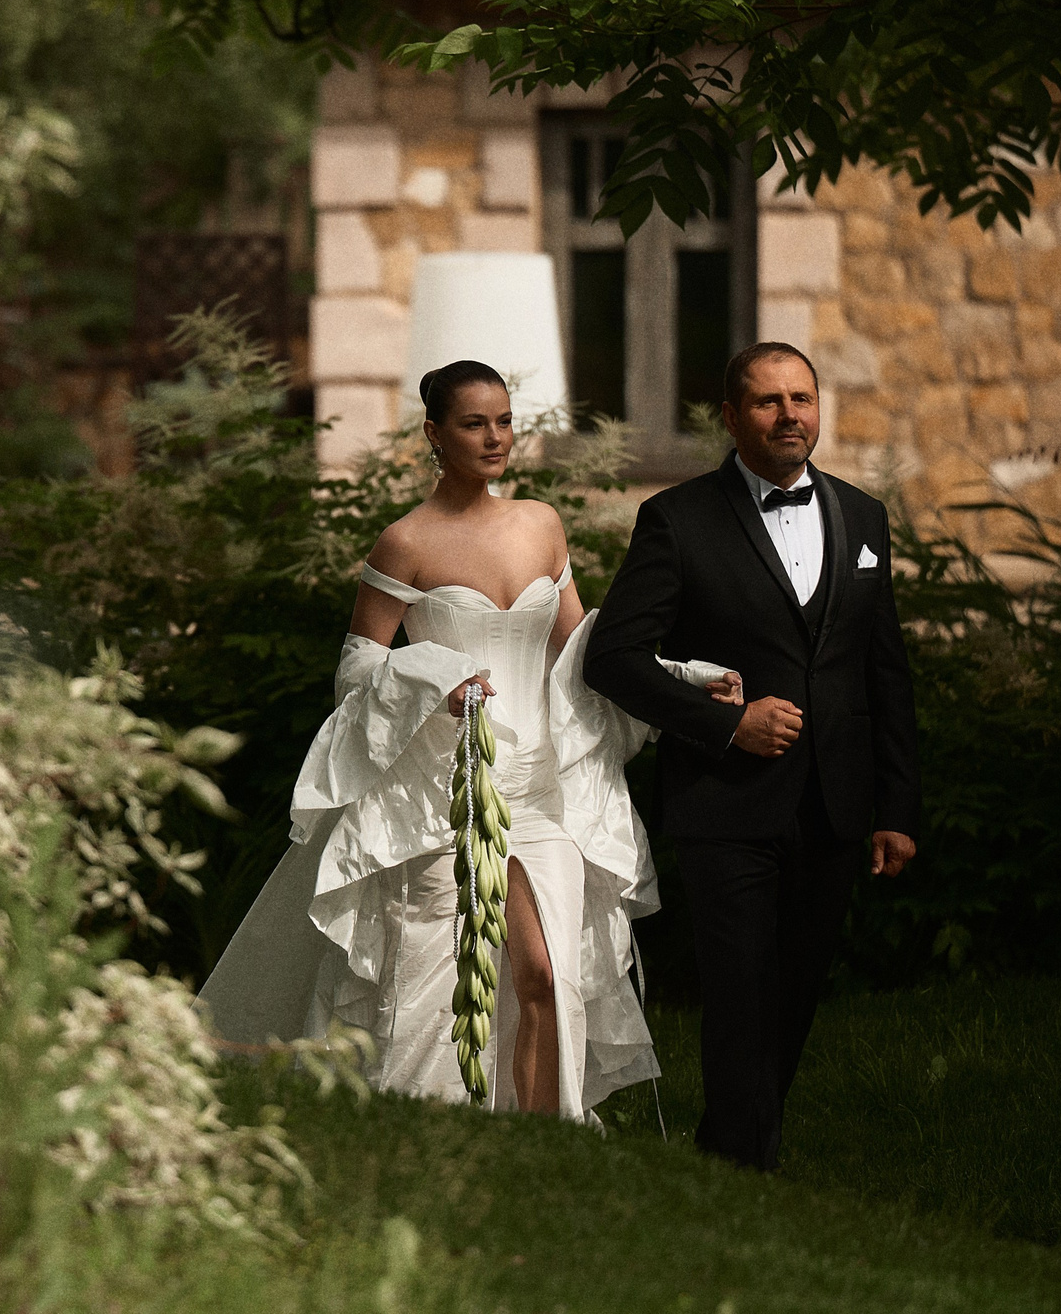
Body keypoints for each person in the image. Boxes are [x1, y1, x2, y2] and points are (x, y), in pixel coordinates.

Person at [199, 360, 737, 1120]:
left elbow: (583, 652)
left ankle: (550, 1135)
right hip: (446, 789)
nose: (495, 437)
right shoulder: (405, 542)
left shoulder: (541, 523)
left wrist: (682, 678)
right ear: (433, 434)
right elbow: (357, 670)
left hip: (540, 788)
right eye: (474, 423)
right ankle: (425, 1119)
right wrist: (433, 682)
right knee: (440, 967)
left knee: (546, 972)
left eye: (505, 421)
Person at [583, 341, 923, 1170]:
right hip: (725, 801)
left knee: (795, 992)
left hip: (834, 804)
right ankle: (742, 1164)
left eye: (801, 398)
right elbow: (613, 657)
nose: (789, 416)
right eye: (768, 402)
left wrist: (896, 809)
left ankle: (740, 1149)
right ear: (732, 418)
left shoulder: (863, 517)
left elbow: (885, 673)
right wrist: (724, 726)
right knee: (739, 992)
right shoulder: (677, 519)